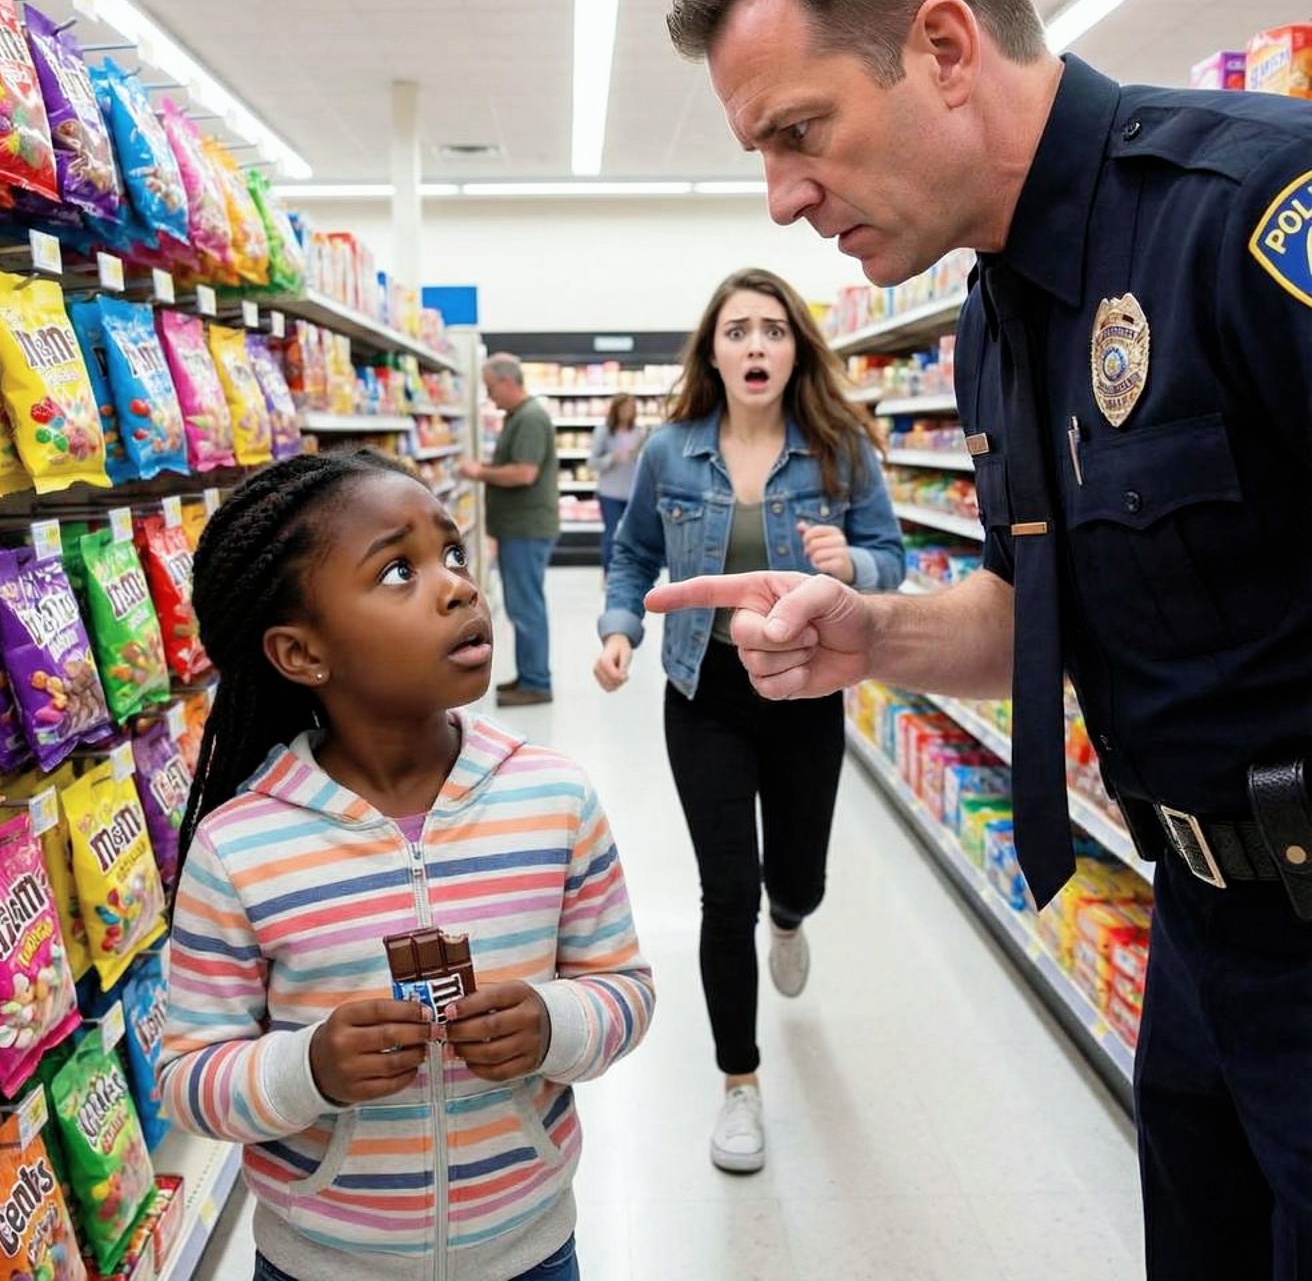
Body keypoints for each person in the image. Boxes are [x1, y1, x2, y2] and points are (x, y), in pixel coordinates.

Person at [650, 0, 1312, 1278]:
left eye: (800, 130)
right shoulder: (996, 318)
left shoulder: (1251, 212)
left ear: (943, 47)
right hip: (1199, 929)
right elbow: (1035, 609)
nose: (780, 198)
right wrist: (868, 637)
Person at [159, 451, 654, 1281]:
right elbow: (190, 1076)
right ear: (302, 653)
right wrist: (307, 1068)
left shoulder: (555, 798)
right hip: (318, 1263)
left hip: (527, 1249)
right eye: (398, 570)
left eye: (453, 554)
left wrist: (553, 1024)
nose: (457, 586)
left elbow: (625, 991)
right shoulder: (239, 848)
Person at [593, 267, 903, 1174]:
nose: (757, 345)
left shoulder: (841, 448)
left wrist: (857, 564)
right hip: (703, 694)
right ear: (714, 352)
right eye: (738, 331)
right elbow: (633, 553)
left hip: (805, 691)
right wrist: (620, 632)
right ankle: (739, 1084)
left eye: (774, 329)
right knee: (723, 891)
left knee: (794, 876)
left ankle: (792, 917)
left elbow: (888, 553)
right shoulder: (670, 451)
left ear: (796, 348)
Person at [459, 353, 560, 706]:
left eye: (490, 387)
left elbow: (524, 473)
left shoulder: (530, 418)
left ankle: (536, 682)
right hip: (520, 526)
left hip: (526, 527)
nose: (490, 396)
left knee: (526, 606)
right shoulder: (519, 416)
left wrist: (479, 472)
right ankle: (529, 675)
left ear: (506, 381)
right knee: (522, 604)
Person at [587, 391, 646, 573]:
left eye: (632, 408)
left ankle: (629, 571)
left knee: (634, 535)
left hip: (633, 492)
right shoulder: (604, 432)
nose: (628, 411)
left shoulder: (641, 433)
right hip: (610, 493)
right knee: (612, 533)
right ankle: (608, 572)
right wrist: (612, 457)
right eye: (625, 407)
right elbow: (592, 463)